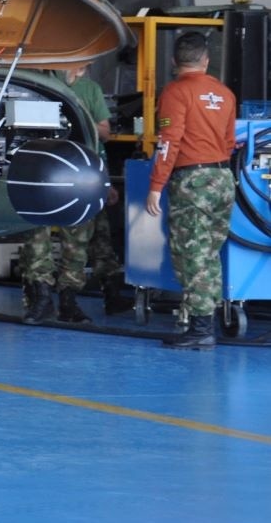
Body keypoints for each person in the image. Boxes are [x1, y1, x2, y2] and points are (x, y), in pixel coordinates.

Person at [145, 31, 238, 350]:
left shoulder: (176, 92)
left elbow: (169, 141)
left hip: (193, 181)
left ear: (174, 61)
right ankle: (204, 321)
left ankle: (200, 328)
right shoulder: (225, 93)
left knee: (192, 254)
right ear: (206, 60)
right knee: (209, 253)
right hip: (223, 179)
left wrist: (156, 186)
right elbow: (229, 142)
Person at [19, 60, 129, 324]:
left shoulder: (89, 90)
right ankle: (41, 297)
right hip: (42, 171)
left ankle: (68, 299)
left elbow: (104, 134)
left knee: (78, 239)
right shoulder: (36, 84)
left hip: (79, 171)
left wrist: (80, 114)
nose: (79, 69)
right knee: (36, 237)